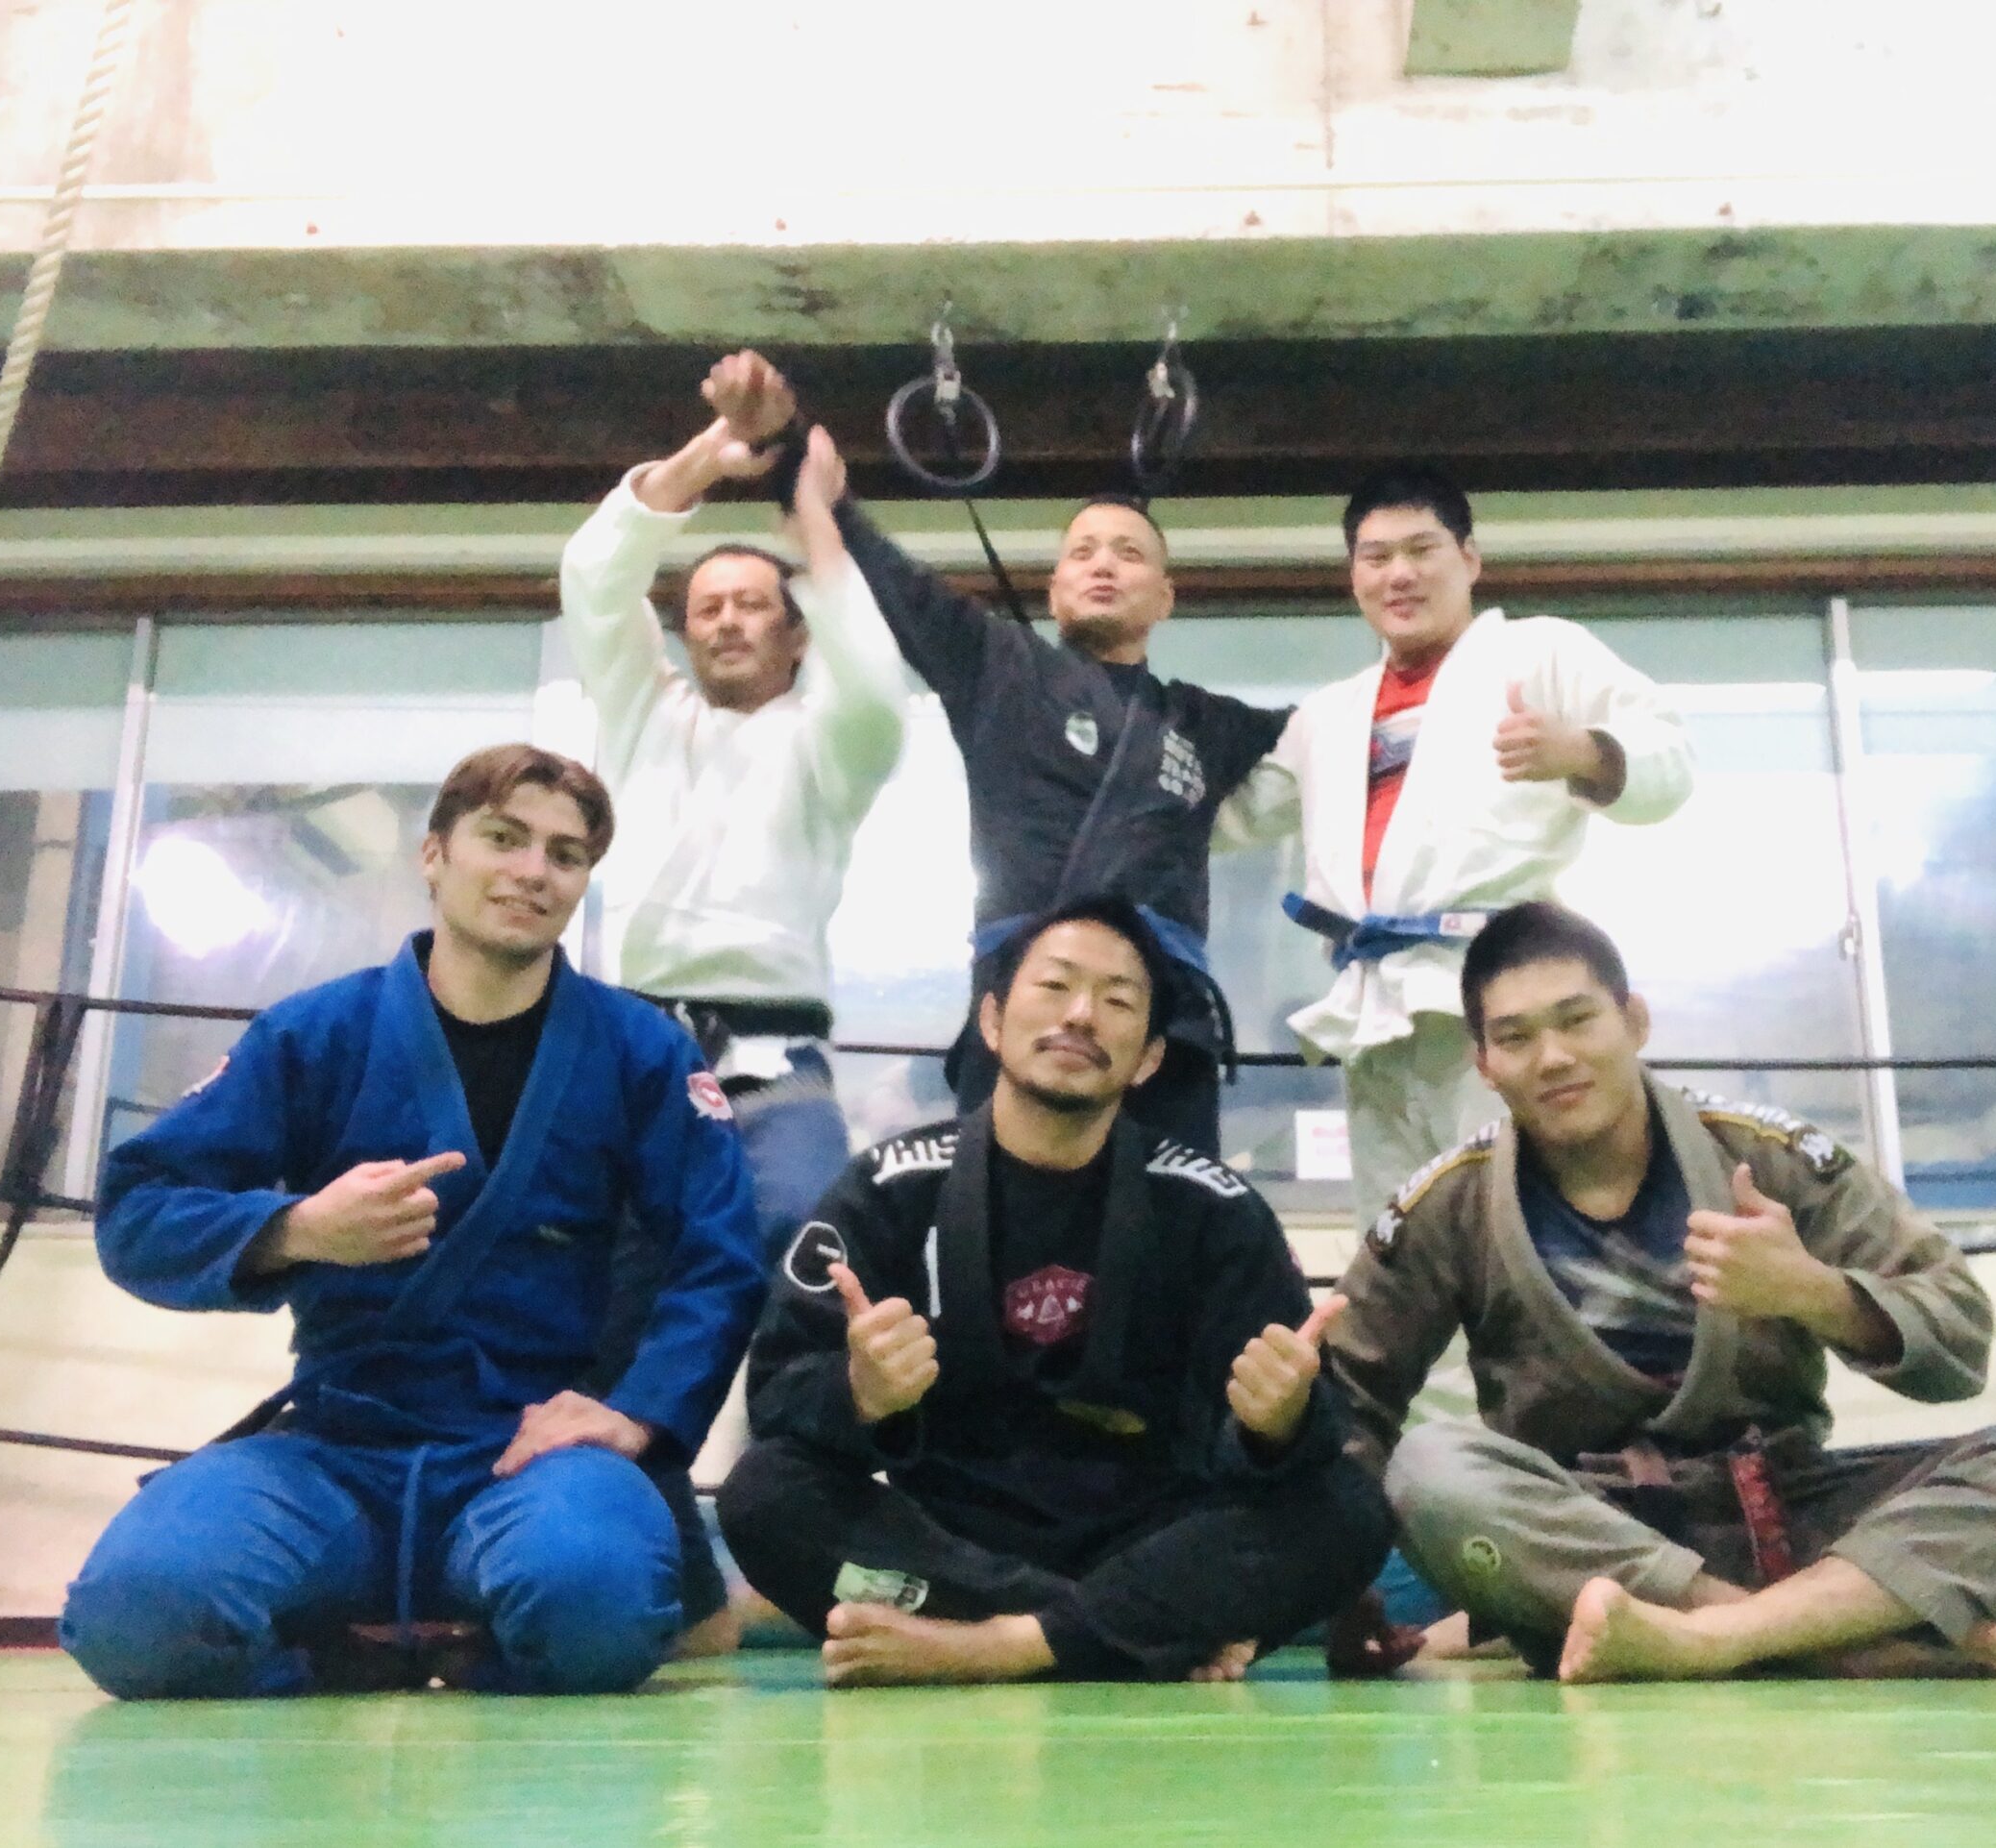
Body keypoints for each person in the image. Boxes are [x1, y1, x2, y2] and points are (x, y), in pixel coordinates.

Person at [59, 745, 769, 1699]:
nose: (532, 870)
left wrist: (636, 1412)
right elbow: (139, 1207)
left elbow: (719, 1255)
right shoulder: (315, 1034)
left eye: (564, 855)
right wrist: (297, 1229)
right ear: (434, 854)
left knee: (599, 1607)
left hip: (530, 1454)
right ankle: (336, 1664)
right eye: (504, 838)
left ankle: (480, 1658)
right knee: (135, 1611)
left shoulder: (641, 1048)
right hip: (336, 1447)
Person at [1321, 900, 1996, 1683]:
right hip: (1596, 1540)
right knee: (1433, 1469)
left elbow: (1959, 1337)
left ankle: (1710, 1637)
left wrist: (1815, 1292)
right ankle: (1824, 1637)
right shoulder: (1450, 1203)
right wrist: (1339, 1571)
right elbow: (1348, 1397)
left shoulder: (1769, 1156)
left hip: (1795, 1511)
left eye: (1578, 1019)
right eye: (1516, 1036)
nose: (1554, 1056)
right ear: (1485, 1063)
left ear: (1634, 1021)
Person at [713, 897, 1392, 1686]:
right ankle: (1124, 1635)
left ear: (1148, 1057)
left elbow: (1302, 1441)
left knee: (1349, 1509)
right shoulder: (891, 1187)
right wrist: (859, 1393)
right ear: (993, 1020)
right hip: (953, 1550)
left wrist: (1278, 1425)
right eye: (1056, 985)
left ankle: (994, 1647)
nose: (1080, 1014)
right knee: (764, 1495)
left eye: (1117, 1000)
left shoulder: (1213, 1207)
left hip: (1156, 1542)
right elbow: (780, 1393)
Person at [703, 354, 1290, 1153]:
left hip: (1163, 1022)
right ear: (1054, 589)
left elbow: (1348, 735)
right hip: (1020, 1005)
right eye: (1082, 552)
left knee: (1173, 1216)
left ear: (1165, 596)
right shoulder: (999, 667)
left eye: (1127, 553)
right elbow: (879, 563)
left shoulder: (1202, 722)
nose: (1103, 564)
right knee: (1006, 1211)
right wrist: (784, 438)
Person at [1216, 464, 1695, 1227]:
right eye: (1376, 557)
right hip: (1374, 1012)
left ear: (1469, 558)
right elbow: (1225, 816)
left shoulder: (1539, 655)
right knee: (1401, 1235)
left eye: (1421, 549)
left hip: (1505, 999)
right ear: (1354, 577)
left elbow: (1669, 760)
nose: (1399, 574)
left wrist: (1582, 751)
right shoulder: (1328, 717)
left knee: (1522, 1225)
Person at [559, 360, 909, 1259]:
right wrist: (710, 457)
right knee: (612, 1268)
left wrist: (814, 515)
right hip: (638, 1044)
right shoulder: (645, 714)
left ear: (797, 634)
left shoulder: (828, 744)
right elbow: (594, 578)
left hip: (778, 1057)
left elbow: (874, 682)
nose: (724, 621)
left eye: (751, 605)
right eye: (706, 608)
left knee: (803, 1244)